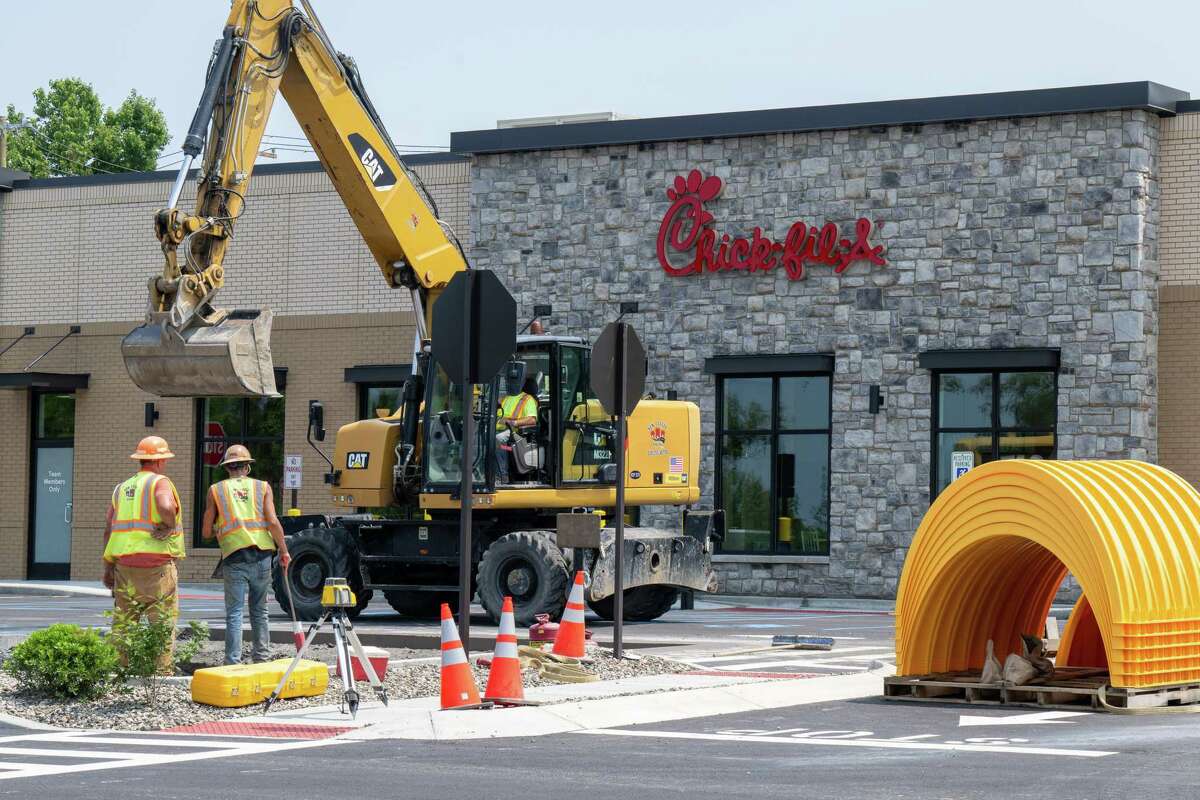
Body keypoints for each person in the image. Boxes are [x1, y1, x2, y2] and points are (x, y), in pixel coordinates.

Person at [102, 435, 187, 673]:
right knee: (162, 623)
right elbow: (165, 505)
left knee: (124, 625)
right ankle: (161, 673)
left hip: (124, 567)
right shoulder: (159, 482)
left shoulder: (121, 488)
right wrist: (169, 524)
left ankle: (120, 670)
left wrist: (108, 568)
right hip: (157, 569)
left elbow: (109, 529)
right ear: (159, 460)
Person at [201, 445, 291, 665]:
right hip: (261, 556)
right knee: (260, 610)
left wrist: (218, 529)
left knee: (234, 613)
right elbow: (272, 521)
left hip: (234, 557)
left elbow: (205, 532)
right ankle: (261, 656)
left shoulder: (216, 490)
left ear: (227, 468)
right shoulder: (262, 488)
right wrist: (284, 551)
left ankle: (232, 662)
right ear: (248, 467)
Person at [495, 376, 539, 483]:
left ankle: (501, 476)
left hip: (515, 433)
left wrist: (514, 423)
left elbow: (532, 420)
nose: (508, 383)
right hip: (498, 429)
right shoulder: (506, 398)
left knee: (497, 441)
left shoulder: (527, 399)